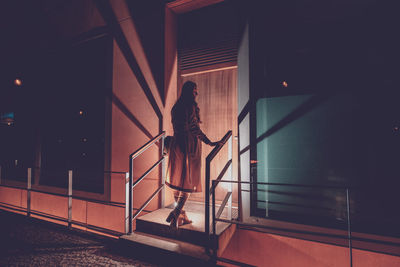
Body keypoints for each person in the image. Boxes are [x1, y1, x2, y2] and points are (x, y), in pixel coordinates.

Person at [165, 81, 221, 228]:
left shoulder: (176, 107)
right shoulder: (189, 106)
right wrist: (209, 142)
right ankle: (176, 212)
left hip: (176, 144)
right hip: (189, 145)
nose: (197, 93)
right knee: (189, 182)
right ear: (190, 91)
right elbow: (194, 128)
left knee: (178, 180)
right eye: (195, 90)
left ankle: (181, 215)